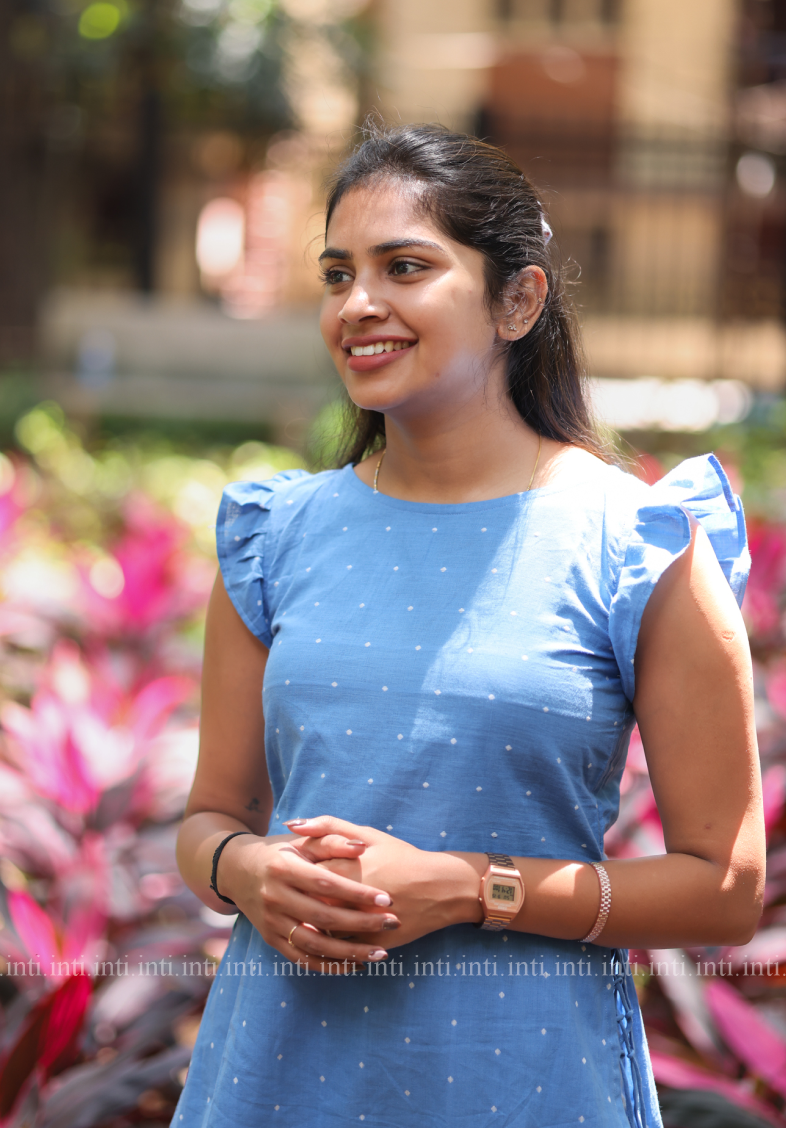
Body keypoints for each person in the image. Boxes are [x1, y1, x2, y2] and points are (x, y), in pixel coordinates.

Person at [172, 123, 764, 1128]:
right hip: (275, 1073)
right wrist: (245, 870)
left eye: (405, 267)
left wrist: (464, 886)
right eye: (335, 274)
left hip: (523, 1077)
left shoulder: (639, 542)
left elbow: (722, 886)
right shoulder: (271, 539)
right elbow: (207, 821)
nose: (358, 305)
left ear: (516, 300)